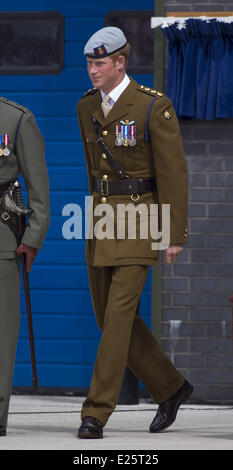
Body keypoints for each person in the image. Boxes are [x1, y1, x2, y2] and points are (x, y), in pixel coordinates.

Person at [77, 26, 193, 439]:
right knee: (108, 319)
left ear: (120, 63)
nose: (93, 70)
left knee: (117, 320)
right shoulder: (86, 107)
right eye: (90, 63)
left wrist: (173, 232)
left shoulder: (151, 106)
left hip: (142, 222)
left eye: (100, 63)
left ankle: (96, 412)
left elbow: (173, 173)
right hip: (102, 222)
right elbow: (95, 173)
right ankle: (171, 387)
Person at [0, 98, 50, 436]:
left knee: (1, 332)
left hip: (1, 240)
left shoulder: (17, 119)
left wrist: (32, 237)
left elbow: (38, 188)